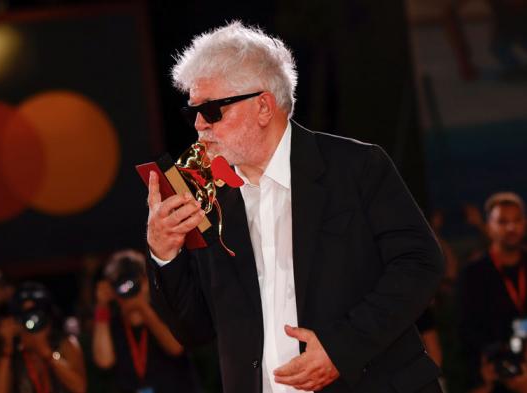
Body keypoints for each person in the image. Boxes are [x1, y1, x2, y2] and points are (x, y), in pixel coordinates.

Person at [145, 22, 445, 393]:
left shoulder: (354, 167)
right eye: (192, 111)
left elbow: (421, 264)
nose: (198, 125)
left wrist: (342, 349)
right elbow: (195, 331)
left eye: (211, 110)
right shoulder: (210, 199)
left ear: (263, 107)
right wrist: (164, 253)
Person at [91, 250, 199, 393]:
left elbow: (176, 348)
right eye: (120, 283)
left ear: (145, 280)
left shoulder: (166, 309)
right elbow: (104, 361)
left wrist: (142, 306)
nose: (127, 288)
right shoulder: (113, 323)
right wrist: (102, 306)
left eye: (133, 281)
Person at [456, 192, 527, 392]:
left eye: (517, 220)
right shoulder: (474, 273)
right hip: (490, 370)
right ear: (489, 227)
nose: (511, 228)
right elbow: (466, 328)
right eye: (502, 221)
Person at [0, 281, 86, 393]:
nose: (32, 321)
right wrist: (7, 347)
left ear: (49, 318)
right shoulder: (13, 352)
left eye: (37, 315)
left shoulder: (65, 344)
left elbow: (80, 388)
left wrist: (48, 353)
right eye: (26, 316)